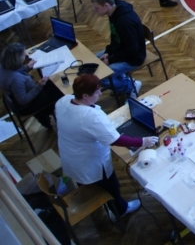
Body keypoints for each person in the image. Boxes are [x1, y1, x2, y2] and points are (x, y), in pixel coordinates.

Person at [55, 74, 158, 217]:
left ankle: (104, 202)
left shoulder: (63, 101)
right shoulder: (90, 116)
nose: (100, 94)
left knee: (87, 182)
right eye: (97, 92)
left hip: (71, 156)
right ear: (85, 96)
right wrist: (142, 141)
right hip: (89, 162)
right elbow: (115, 140)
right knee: (110, 186)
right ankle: (120, 210)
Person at [91, 0, 145, 96]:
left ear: (106, 5)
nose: (95, 10)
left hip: (133, 58)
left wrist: (110, 60)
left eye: (97, 8)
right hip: (120, 52)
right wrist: (108, 52)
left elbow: (132, 50)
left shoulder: (125, 22)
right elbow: (115, 37)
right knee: (93, 62)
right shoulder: (113, 11)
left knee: (99, 79)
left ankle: (132, 87)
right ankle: (123, 81)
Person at [0, 43, 63, 129]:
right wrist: (39, 86)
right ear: (17, 59)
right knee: (59, 89)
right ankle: (44, 113)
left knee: (52, 84)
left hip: (19, 96)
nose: (26, 56)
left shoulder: (3, 66)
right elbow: (23, 100)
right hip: (27, 106)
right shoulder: (16, 79)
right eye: (23, 55)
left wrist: (27, 67)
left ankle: (44, 116)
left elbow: (15, 71)